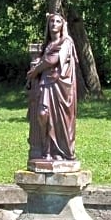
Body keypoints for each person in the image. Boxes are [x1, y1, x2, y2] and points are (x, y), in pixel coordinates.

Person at [26, 12, 78, 162]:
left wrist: (35, 71)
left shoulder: (66, 42)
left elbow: (52, 60)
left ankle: (59, 152)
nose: (54, 24)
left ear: (62, 25)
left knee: (58, 120)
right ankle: (45, 150)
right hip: (46, 84)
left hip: (60, 87)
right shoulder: (48, 45)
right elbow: (45, 59)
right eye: (51, 22)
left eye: (57, 22)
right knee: (43, 115)